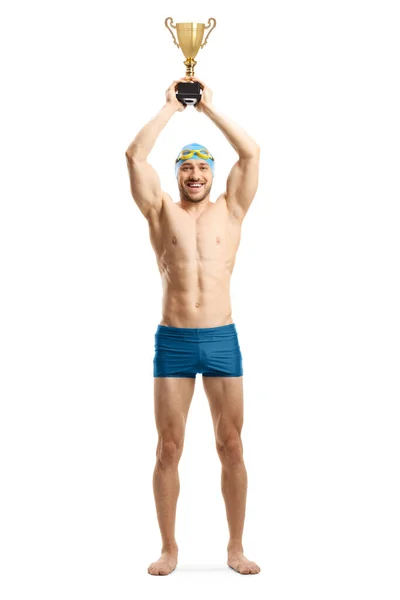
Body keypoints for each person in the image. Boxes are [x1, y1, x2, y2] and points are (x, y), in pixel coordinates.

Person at [125, 77, 261, 575]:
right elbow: (134, 158)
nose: (196, 174)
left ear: (212, 174)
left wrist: (208, 109)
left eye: (204, 167)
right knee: (168, 446)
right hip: (175, 342)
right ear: (178, 175)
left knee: (232, 444)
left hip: (222, 339)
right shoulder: (161, 212)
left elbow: (250, 153)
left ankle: (236, 547)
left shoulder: (232, 209)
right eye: (188, 167)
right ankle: (169, 548)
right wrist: (168, 109)